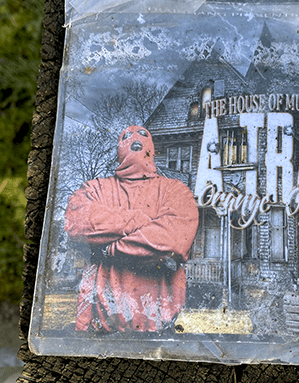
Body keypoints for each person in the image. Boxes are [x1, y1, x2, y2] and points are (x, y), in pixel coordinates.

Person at [65, 125, 199, 332]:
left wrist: (110, 249)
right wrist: (138, 220)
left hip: (157, 330)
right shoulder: (95, 189)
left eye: (143, 135)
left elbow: (173, 240)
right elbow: (76, 223)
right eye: (127, 136)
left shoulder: (175, 190)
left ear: (152, 149)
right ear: (118, 148)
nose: (136, 138)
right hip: (103, 329)